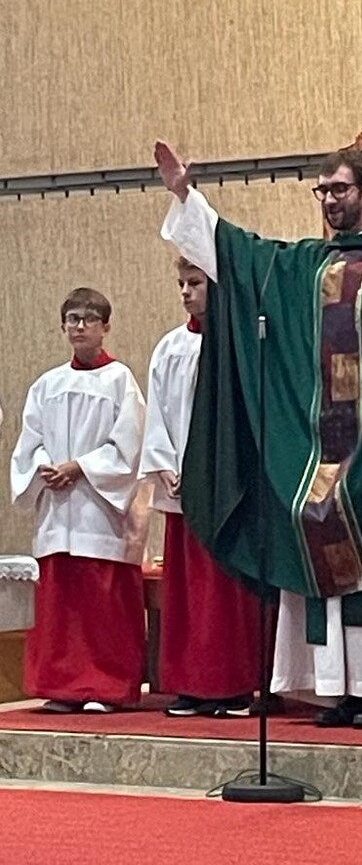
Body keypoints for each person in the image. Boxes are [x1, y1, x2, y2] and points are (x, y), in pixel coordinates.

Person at [154, 122, 362, 729]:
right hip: (318, 448)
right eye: (322, 190)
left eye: (340, 189)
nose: (330, 200)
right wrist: (185, 196)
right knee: (314, 518)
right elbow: (235, 253)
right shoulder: (301, 266)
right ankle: (337, 690)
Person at [11, 288, 147, 713]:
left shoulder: (120, 381)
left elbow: (129, 446)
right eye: (72, 319)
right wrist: (45, 468)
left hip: (99, 510)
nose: (80, 326)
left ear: (106, 327)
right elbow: (29, 443)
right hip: (57, 510)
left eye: (89, 319)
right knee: (62, 607)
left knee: (101, 605)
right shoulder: (47, 385)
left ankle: (106, 687)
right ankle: (63, 687)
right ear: (62, 326)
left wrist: (80, 467)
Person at [140, 258, 260, 716]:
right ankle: (191, 684)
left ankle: (233, 686)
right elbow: (158, 414)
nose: (186, 292)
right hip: (184, 489)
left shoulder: (241, 343)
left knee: (227, 592)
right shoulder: (170, 348)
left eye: (195, 283)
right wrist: (165, 465)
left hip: (230, 490)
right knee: (189, 593)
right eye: (181, 284)